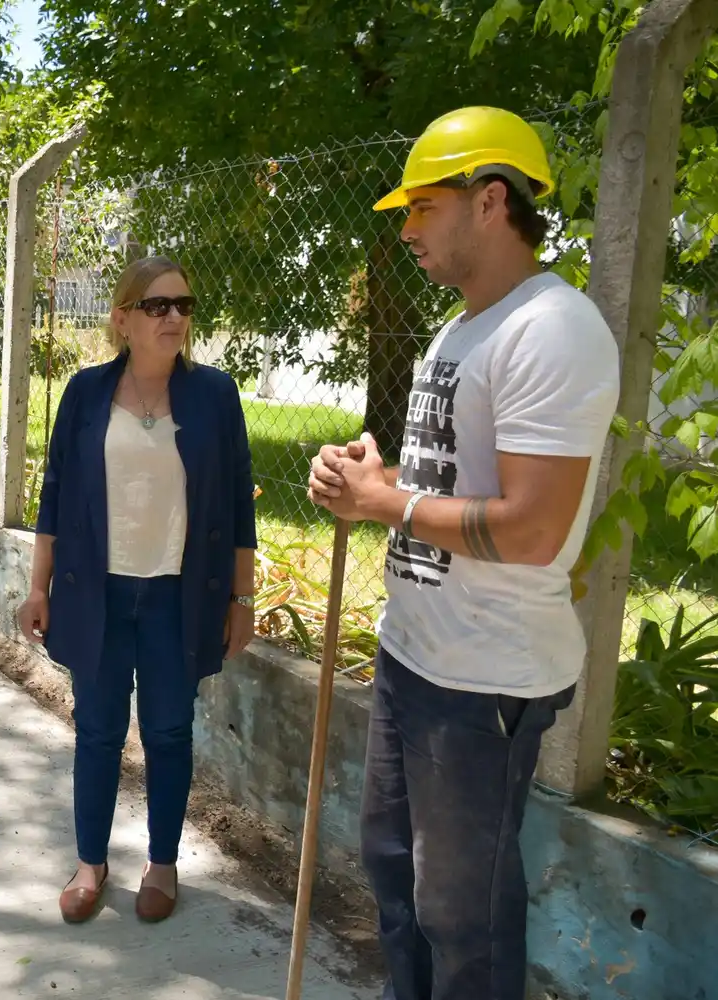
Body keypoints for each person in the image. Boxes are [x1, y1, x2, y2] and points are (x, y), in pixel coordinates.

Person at [307, 106, 620, 1000]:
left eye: (422, 207)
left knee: (462, 916)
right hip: (416, 656)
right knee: (395, 878)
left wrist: (386, 504)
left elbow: (531, 529)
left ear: (490, 201)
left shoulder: (551, 329)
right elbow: (453, 479)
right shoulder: (463, 327)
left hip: (484, 682)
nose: (405, 229)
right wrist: (377, 476)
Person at [16, 255, 258, 925]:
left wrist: (242, 600)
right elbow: (55, 495)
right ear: (122, 319)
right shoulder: (86, 393)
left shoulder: (215, 395)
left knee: (168, 732)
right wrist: (38, 588)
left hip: (179, 599)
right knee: (96, 731)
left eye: (184, 305)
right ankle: (90, 863)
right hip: (99, 593)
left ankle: (162, 862)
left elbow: (239, 505)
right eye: (157, 306)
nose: (175, 317)